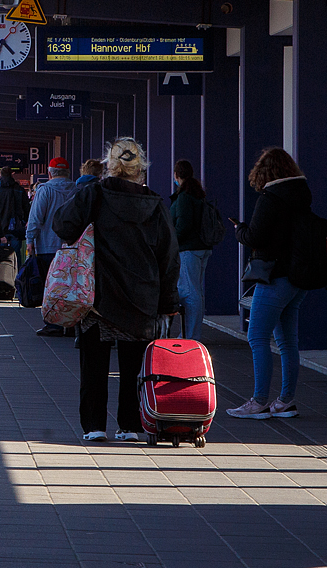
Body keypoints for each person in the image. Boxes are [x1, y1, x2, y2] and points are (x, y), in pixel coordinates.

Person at [53, 138, 180, 442]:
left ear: (109, 165)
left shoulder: (94, 194)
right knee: (134, 367)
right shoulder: (155, 204)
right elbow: (169, 256)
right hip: (141, 298)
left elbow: (63, 226)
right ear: (141, 168)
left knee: (93, 365)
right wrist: (168, 302)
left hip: (98, 297)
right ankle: (131, 426)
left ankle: (95, 427)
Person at [227, 146, 310, 419]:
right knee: (288, 342)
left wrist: (239, 230)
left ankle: (259, 401)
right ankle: (286, 401)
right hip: (298, 276)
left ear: (265, 172)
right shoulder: (302, 194)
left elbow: (255, 237)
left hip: (274, 276)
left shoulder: (270, 198)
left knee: (257, 336)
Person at [25, 157, 78, 337]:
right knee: (70, 287)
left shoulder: (45, 190)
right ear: (68, 173)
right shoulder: (77, 190)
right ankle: (70, 323)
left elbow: (36, 218)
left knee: (51, 287)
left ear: (49, 173)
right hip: (72, 248)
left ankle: (53, 324)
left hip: (47, 247)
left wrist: (30, 240)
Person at [169, 158, 211, 341]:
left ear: (177, 175)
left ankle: (191, 336)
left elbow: (183, 226)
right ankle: (190, 333)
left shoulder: (184, 197)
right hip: (201, 248)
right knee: (196, 291)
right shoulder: (197, 194)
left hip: (188, 250)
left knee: (189, 292)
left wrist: (171, 242)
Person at [0, 167, 31, 265]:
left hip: (1, 228)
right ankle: (17, 276)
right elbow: (27, 208)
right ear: (11, 175)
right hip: (17, 227)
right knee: (16, 254)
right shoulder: (19, 190)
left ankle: (3, 275)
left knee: (2, 254)